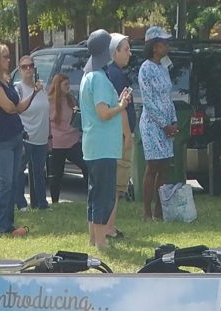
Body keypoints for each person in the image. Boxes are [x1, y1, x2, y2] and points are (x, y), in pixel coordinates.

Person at [78, 29, 131, 249]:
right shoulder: (99, 78)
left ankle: (93, 237)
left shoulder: (89, 76)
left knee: (95, 193)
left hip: (95, 146)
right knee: (104, 196)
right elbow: (102, 112)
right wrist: (121, 106)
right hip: (103, 147)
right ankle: (100, 241)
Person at [0, 41, 36, 236]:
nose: (8, 59)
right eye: (5, 56)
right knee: (5, 182)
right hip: (1, 139)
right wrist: (16, 107)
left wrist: (34, 94)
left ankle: (9, 224)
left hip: (14, 135)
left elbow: (18, 107)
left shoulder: (5, 80)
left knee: (13, 182)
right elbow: (9, 107)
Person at [137, 27, 178, 220]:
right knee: (152, 165)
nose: (166, 45)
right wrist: (163, 124)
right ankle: (146, 212)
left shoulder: (163, 66)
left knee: (165, 165)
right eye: (163, 42)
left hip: (167, 122)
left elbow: (167, 96)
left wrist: (174, 120)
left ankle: (160, 211)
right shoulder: (145, 68)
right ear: (154, 46)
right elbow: (149, 101)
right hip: (152, 124)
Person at [105, 34, 136, 210]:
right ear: (114, 52)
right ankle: (109, 228)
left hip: (114, 135)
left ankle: (109, 226)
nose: (129, 54)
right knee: (116, 186)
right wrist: (127, 136)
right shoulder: (115, 75)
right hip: (119, 136)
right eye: (126, 49)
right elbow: (120, 107)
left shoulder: (113, 72)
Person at [18, 58, 51, 209]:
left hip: (42, 137)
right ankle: (21, 203)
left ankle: (41, 204)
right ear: (19, 70)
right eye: (24, 67)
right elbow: (17, 110)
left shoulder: (42, 88)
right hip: (26, 136)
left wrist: (50, 136)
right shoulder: (18, 89)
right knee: (19, 171)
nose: (28, 69)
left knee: (39, 172)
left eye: (31, 66)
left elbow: (46, 112)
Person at [45, 68, 80, 202]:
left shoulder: (71, 99)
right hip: (57, 142)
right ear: (58, 86)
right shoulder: (50, 101)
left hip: (72, 140)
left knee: (85, 165)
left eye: (68, 84)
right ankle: (55, 201)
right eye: (65, 85)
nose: (68, 87)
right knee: (56, 174)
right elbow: (49, 120)